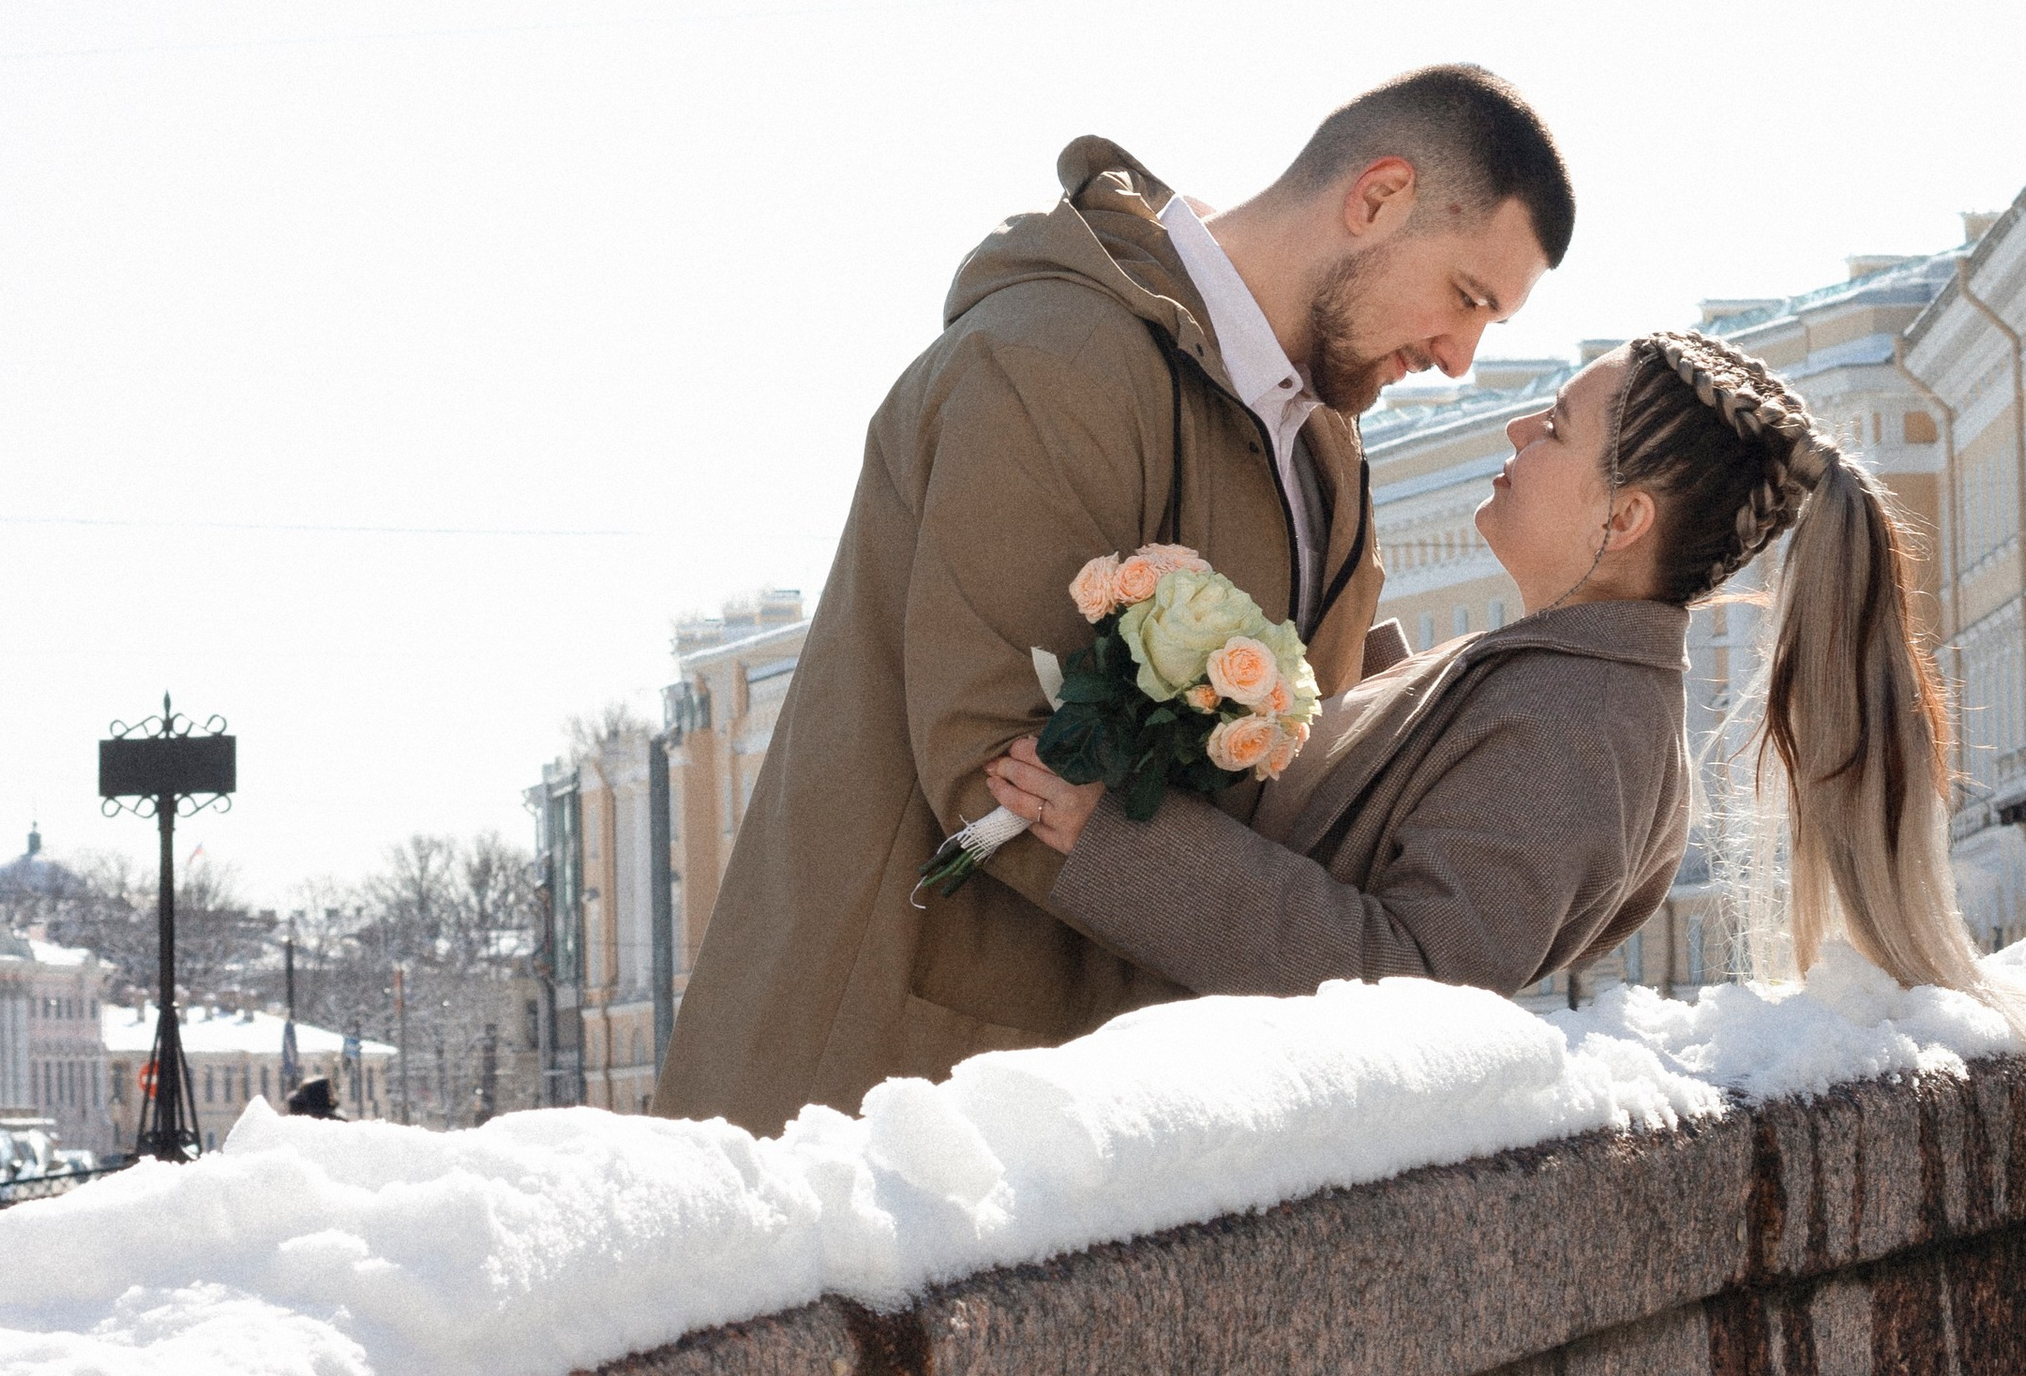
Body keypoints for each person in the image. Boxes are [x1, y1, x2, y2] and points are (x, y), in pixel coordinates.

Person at [656, 68, 1577, 1134]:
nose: (1460, 359)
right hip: (892, 1107)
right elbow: (998, 760)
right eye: (1467, 297)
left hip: (1109, 1107)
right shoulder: (1053, 361)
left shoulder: (1322, 434)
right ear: (1376, 197)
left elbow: (1305, 747)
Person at [986, 329, 2026, 1093]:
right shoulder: (1559, 680)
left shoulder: (1579, 726)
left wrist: (1119, 843)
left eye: (1551, 431)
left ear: (1622, 519)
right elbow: (1405, 806)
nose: (1513, 438)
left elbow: (1416, 982)